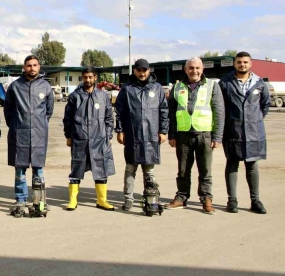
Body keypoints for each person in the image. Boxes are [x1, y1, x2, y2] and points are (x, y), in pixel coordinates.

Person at [166, 57, 224, 214]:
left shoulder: (212, 86)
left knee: (205, 170)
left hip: (204, 134)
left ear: (202, 69)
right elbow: (171, 112)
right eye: (191, 68)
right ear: (185, 70)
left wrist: (217, 136)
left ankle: (206, 199)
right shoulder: (177, 87)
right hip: (183, 135)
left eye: (197, 68)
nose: (194, 71)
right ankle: (181, 197)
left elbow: (219, 111)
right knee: (183, 170)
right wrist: (172, 134)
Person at [218, 51, 270, 214]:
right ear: (234, 63)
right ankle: (232, 200)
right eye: (239, 62)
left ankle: (255, 201)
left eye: (245, 62)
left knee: (252, 166)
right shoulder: (225, 82)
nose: (242, 65)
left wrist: (254, 120)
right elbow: (220, 107)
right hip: (233, 131)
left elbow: (265, 105)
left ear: (250, 64)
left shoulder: (259, 83)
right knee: (232, 164)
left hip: (254, 133)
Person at [115, 59, 169, 211]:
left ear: (149, 70)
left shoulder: (157, 88)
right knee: (130, 168)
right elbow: (119, 111)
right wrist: (120, 131)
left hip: (151, 135)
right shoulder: (127, 89)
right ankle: (128, 198)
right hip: (132, 135)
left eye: (145, 70)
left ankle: (149, 196)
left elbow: (164, 110)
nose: (142, 73)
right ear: (134, 71)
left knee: (149, 169)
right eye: (139, 70)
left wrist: (163, 131)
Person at [4, 55, 54, 212]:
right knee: (20, 168)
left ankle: (38, 200)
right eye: (29, 65)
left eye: (34, 65)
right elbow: (8, 110)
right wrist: (16, 125)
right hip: (20, 134)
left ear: (39, 67)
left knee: (38, 169)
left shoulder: (45, 87)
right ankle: (20, 199)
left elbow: (49, 111)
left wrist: (40, 125)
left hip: (39, 134)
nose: (32, 68)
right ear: (24, 67)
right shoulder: (15, 87)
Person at [63, 66, 115, 211]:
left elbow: (109, 118)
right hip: (80, 139)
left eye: (90, 77)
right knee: (76, 169)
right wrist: (68, 135)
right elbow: (68, 118)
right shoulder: (75, 96)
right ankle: (73, 200)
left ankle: (102, 200)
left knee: (101, 169)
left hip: (99, 140)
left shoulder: (103, 96)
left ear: (95, 78)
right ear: (82, 78)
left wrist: (108, 135)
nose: (88, 80)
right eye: (85, 77)